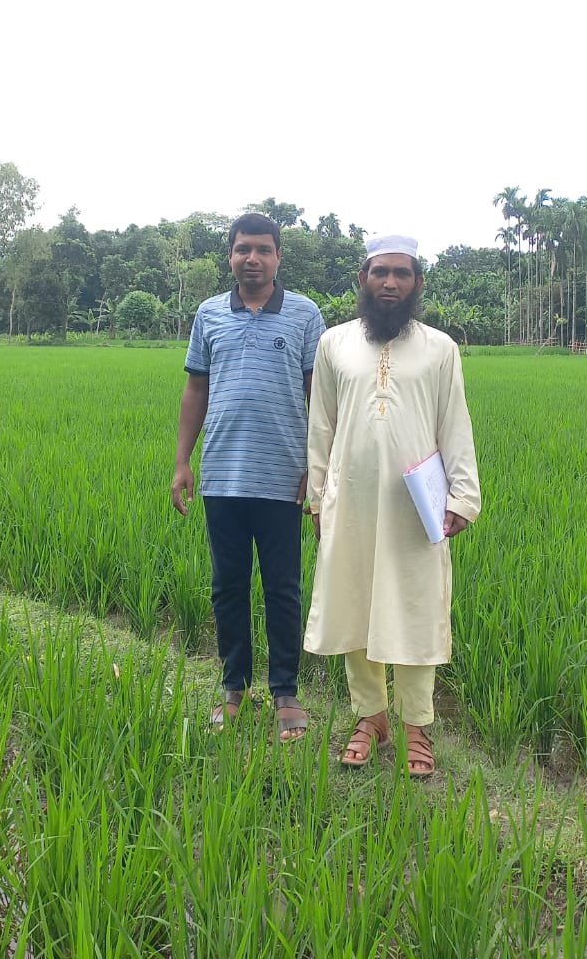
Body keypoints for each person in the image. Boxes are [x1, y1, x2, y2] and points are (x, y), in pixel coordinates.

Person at [303, 233, 481, 777]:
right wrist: (317, 497)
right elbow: (321, 424)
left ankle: (416, 726)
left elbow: (455, 423)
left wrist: (463, 497)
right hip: (350, 500)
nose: (390, 282)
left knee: (416, 607)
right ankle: (370, 717)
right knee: (354, 603)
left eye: (402, 273)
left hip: (416, 506)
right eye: (380, 272)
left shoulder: (440, 348)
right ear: (363, 278)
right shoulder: (333, 343)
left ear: (417, 283)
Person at [172, 211, 326, 741]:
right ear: (231, 255)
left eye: (263, 249)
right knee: (228, 587)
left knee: (283, 589)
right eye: (243, 249)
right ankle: (233, 687)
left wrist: (317, 469)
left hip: (283, 478)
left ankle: (286, 691)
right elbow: (196, 390)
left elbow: (319, 398)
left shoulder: (305, 315)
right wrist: (182, 462)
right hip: (222, 477)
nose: (252, 258)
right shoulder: (209, 314)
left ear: (279, 256)